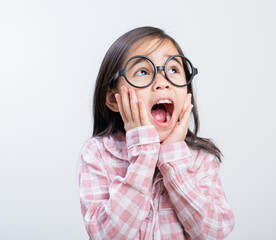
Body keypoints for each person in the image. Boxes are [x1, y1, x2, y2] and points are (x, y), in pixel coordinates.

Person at [79, 26, 235, 240]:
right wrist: (144, 153)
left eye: (173, 69)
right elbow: (107, 235)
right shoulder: (98, 153)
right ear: (113, 99)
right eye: (142, 71)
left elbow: (214, 231)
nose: (162, 83)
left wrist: (173, 158)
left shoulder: (201, 158)